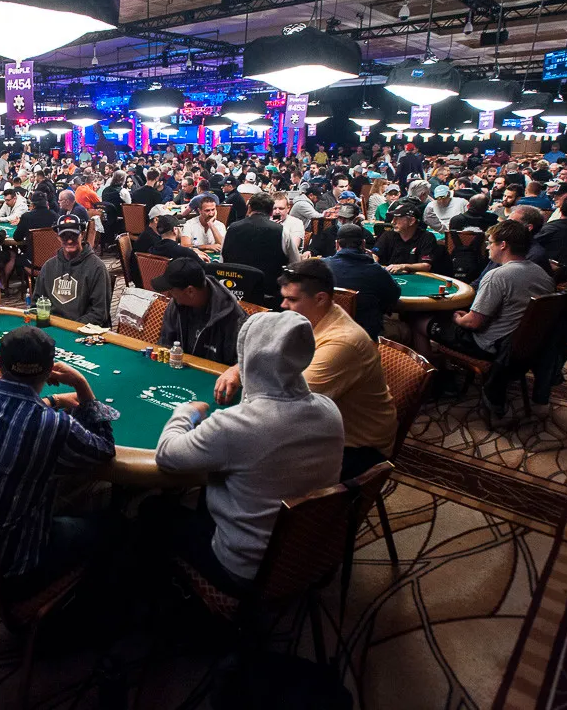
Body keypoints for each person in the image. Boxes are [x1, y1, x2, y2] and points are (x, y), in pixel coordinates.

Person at [150, 311, 344, 594]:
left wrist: (185, 412)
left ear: (250, 356)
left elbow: (166, 454)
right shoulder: (330, 410)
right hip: (309, 555)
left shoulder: (235, 425)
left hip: (244, 570)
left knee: (153, 511)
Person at [0, 326, 116, 598]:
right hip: (12, 569)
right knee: (114, 525)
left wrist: (52, 400)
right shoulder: (51, 425)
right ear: (49, 371)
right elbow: (105, 449)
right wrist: (82, 386)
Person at [272, 261, 397, 477]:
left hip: (358, 449)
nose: (283, 305)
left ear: (320, 299)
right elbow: (271, 353)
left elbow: (288, 406)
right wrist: (238, 369)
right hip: (324, 428)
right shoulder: (315, 317)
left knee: (249, 464)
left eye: (292, 299)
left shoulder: (342, 342)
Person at [414, 220, 555, 365]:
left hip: (488, 346)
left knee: (418, 321)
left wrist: (457, 318)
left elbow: (472, 323)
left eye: (490, 243)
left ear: (503, 245)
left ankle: (429, 370)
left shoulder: (497, 276)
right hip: (524, 347)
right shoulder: (543, 274)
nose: (487, 247)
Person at [152, 257, 247, 365]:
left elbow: (241, 366)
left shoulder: (235, 319)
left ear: (190, 291)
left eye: (171, 290)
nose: (169, 295)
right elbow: (165, 343)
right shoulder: (175, 305)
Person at [222, 192, 300, 306]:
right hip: (269, 300)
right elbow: (295, 264)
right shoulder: (281, 231)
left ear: (249, 208)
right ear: (271, 212)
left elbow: (223, 261)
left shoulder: (231, 229)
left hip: (235, 297)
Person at [324, 224, 400, 340]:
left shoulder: (322, 266)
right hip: (365, 338)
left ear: (337, 244)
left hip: (326, 334)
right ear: (363, 244)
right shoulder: (376, 270)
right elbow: (393, 296)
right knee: (405, 330)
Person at [33, 215, 111, 326]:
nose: (69, 241)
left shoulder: (97, 268)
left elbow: (99, 314)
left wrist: (69, 328)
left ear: (82, 235)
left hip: (81, 330)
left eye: (73, 235)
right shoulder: (48, 266)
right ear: (58, 237)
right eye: (64, 236)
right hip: (51, 327)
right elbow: (36, 304)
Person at [375, 199, 442, 274]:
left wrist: (403, 266)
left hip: (417, 278)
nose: (393, 222)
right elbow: (375, 254)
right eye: (393, 218)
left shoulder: (427, 237)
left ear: (411, 221)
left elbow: (426, 265)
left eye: (398, 218)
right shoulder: (388, 235)